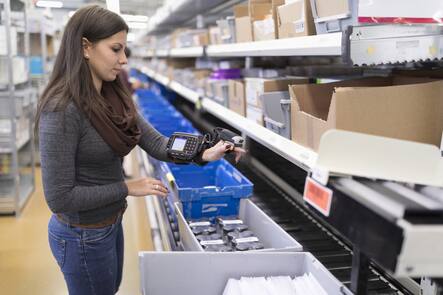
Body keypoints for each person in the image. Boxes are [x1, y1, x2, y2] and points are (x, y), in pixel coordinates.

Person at [35, 5, 244, 295]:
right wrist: (126, 187)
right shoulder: (61, 109)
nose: (123, 60)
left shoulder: (112, 96)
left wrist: (204, 152)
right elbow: (59, 198)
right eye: (115, 49)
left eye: (124, 50)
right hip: (81, 234)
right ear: (85, 47)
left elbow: (157, 143)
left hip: (110, 222)